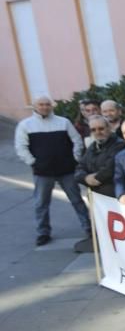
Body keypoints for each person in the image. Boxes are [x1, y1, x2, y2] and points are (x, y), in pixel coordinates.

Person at [15, 95, 90, 246]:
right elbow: (21, 147)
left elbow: (76, 141)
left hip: (66, 170)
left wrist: (75, 158)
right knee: (41, 203)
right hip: (42, 172)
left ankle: (88, 228)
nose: (44, 107)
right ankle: (43, 232)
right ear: (35, 107)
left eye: (47, 104)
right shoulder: (26, 125)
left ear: (52, 106)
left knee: (77, 200)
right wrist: (34, 163)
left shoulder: (63, 122)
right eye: (41, 104)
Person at [75, 115, 125, 197]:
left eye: (101, 128)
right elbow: (80, 168)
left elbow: (110, 169)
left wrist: (95, 179)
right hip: (96, 196)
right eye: (93, 130)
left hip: (114, 196)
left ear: (109, 128)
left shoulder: (120, 145)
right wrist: (85, 178)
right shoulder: (93, 146)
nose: (97, 132)